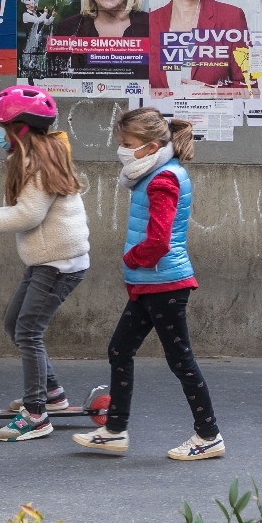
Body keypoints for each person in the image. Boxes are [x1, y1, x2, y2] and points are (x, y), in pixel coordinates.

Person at [73, 107, 223, 461]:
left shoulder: (163, 180)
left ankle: (209, 435)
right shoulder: (153, 174)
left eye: (128, 144)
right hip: (152, 282)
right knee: (120, 350)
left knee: (181, 360)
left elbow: (159, 240)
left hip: (165, 283)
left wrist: (131, 259)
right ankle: (114, 430)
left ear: (151, 145)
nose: (122, 150)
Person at [0, 86, 91, 442]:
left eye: (0, 126)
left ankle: (36, 414)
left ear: (20, 129)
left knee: (28, 331)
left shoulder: (37, 164)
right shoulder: (35, 157)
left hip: (59, 263)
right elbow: (27, 210)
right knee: (15, 324)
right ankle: (52, 394)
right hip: (48, 260)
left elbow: (28, 214)